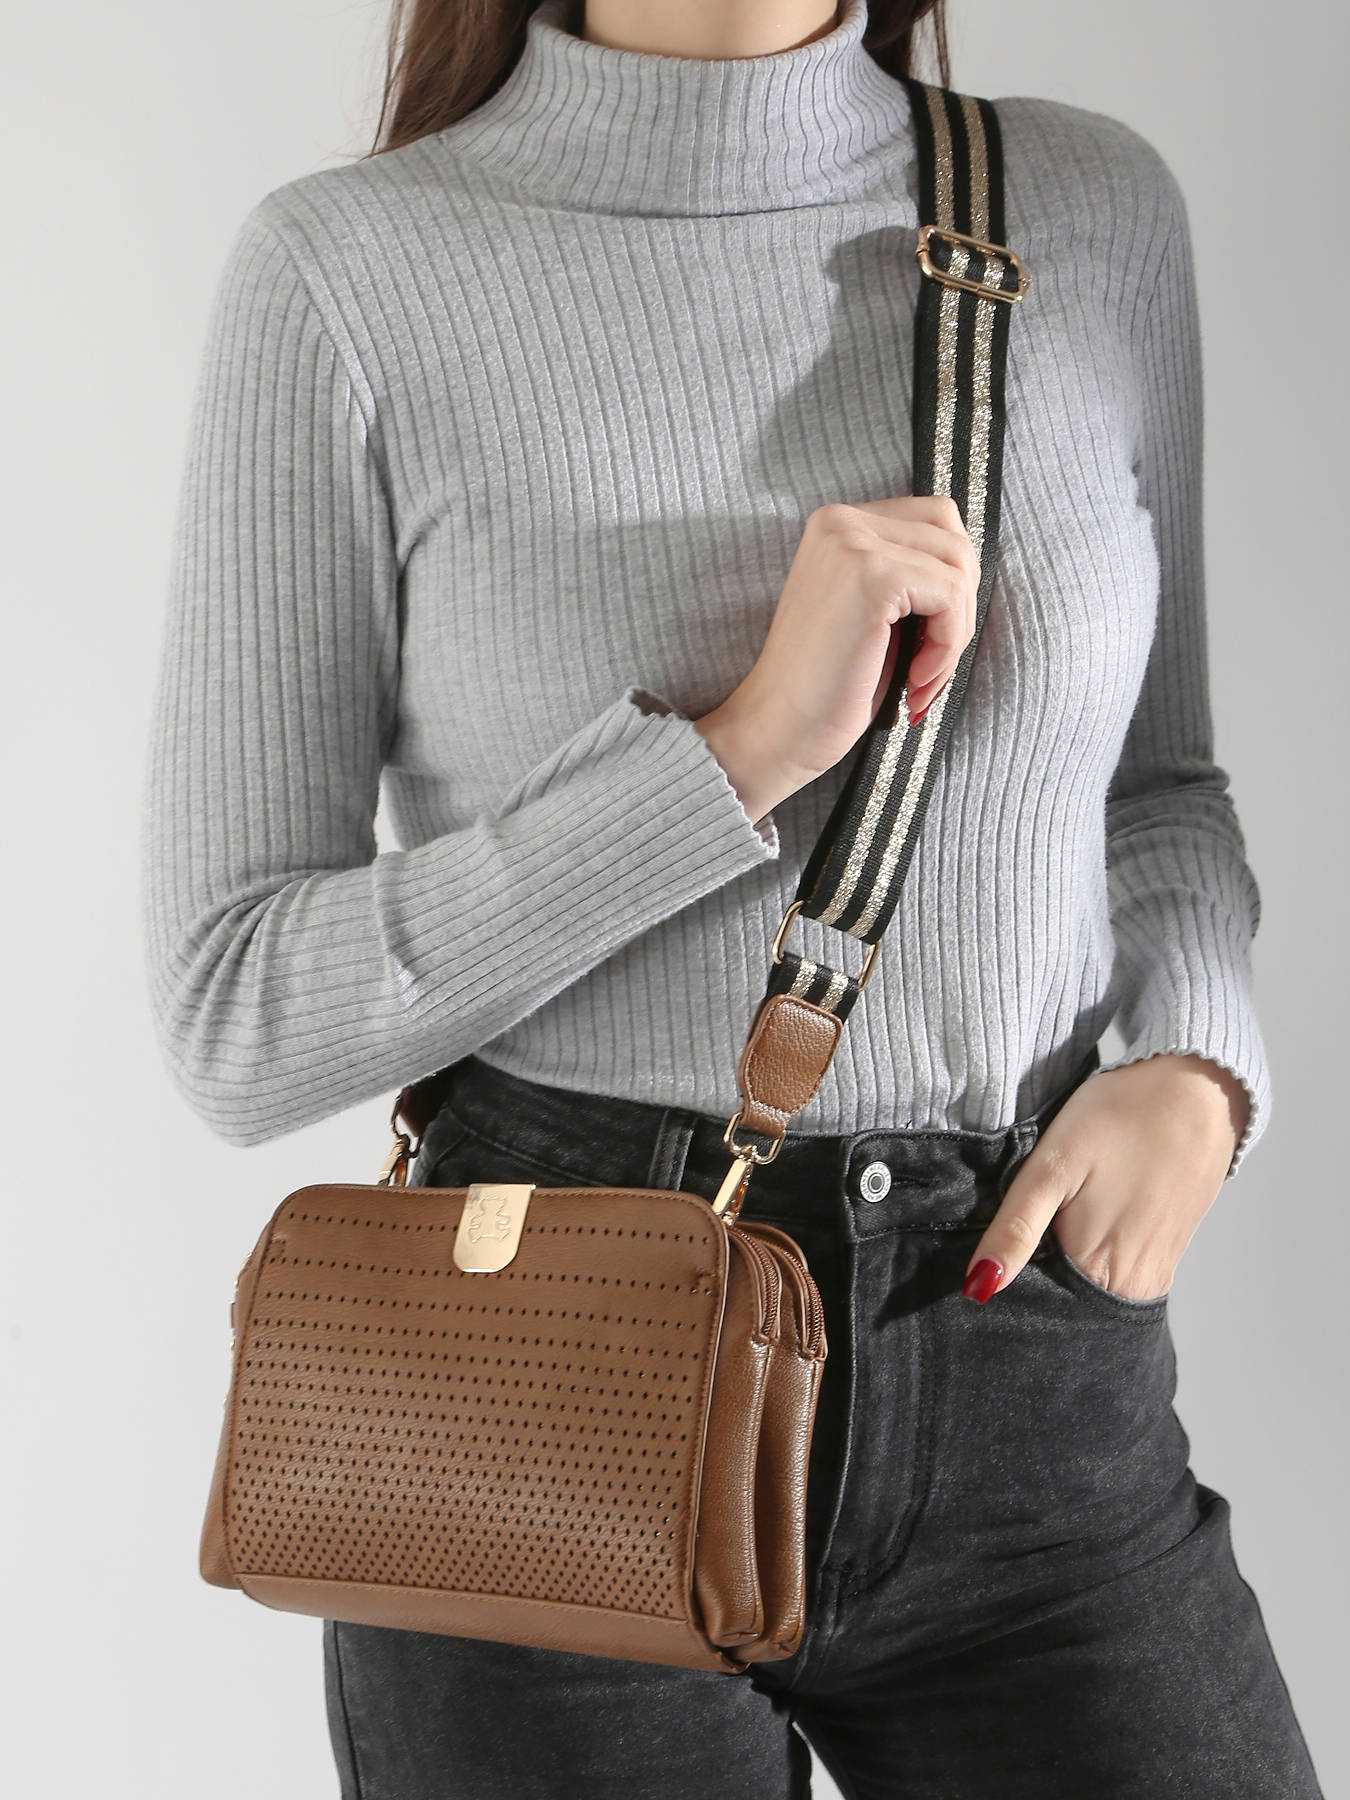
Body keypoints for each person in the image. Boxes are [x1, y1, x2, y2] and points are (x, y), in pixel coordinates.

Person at [141, 0, 1323, 1792]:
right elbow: (237, 1009)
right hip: (548, 1384)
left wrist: (1197, 1065)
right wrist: (740, 747)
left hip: (1024, 1363)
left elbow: (1155, 792)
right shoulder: (349, 272)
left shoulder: (1082, 207)